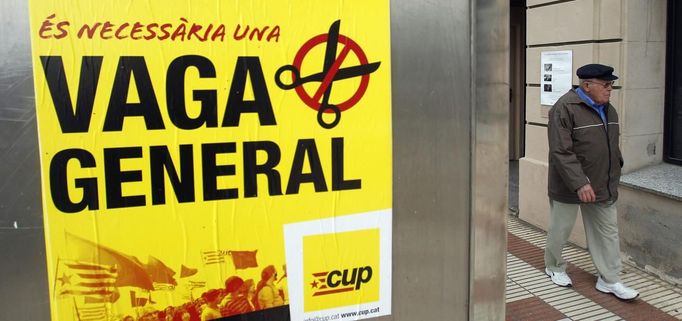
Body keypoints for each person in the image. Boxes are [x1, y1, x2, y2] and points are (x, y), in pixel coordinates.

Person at [544, 63, 639, 300]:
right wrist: (579, 182)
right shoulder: (564, 108)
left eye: (611, 85)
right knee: (561, 228)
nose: (610, 89)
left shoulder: (610, 110)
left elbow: (610, 147)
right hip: (569, 184)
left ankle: (610, 279)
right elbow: (560, 151)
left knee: (607, 232)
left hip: (602, 184)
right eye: (606, 85)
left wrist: (616, 167)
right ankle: (554, 266)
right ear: (587, 85)